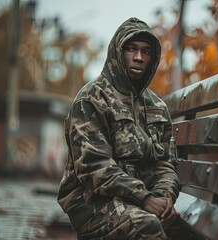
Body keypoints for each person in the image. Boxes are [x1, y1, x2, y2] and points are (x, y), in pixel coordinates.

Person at [57, 17, 180, 240]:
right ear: (117, 52)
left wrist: (163, 199)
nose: (139, 58)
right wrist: (144, 198)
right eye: (131, 49)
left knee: (179, 228)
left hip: (143, 200)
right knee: (146, 226)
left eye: (146, 52)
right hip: (92, 202)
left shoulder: (157, 107)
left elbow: (165, 164)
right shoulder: (91, 99)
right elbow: (93, 166)